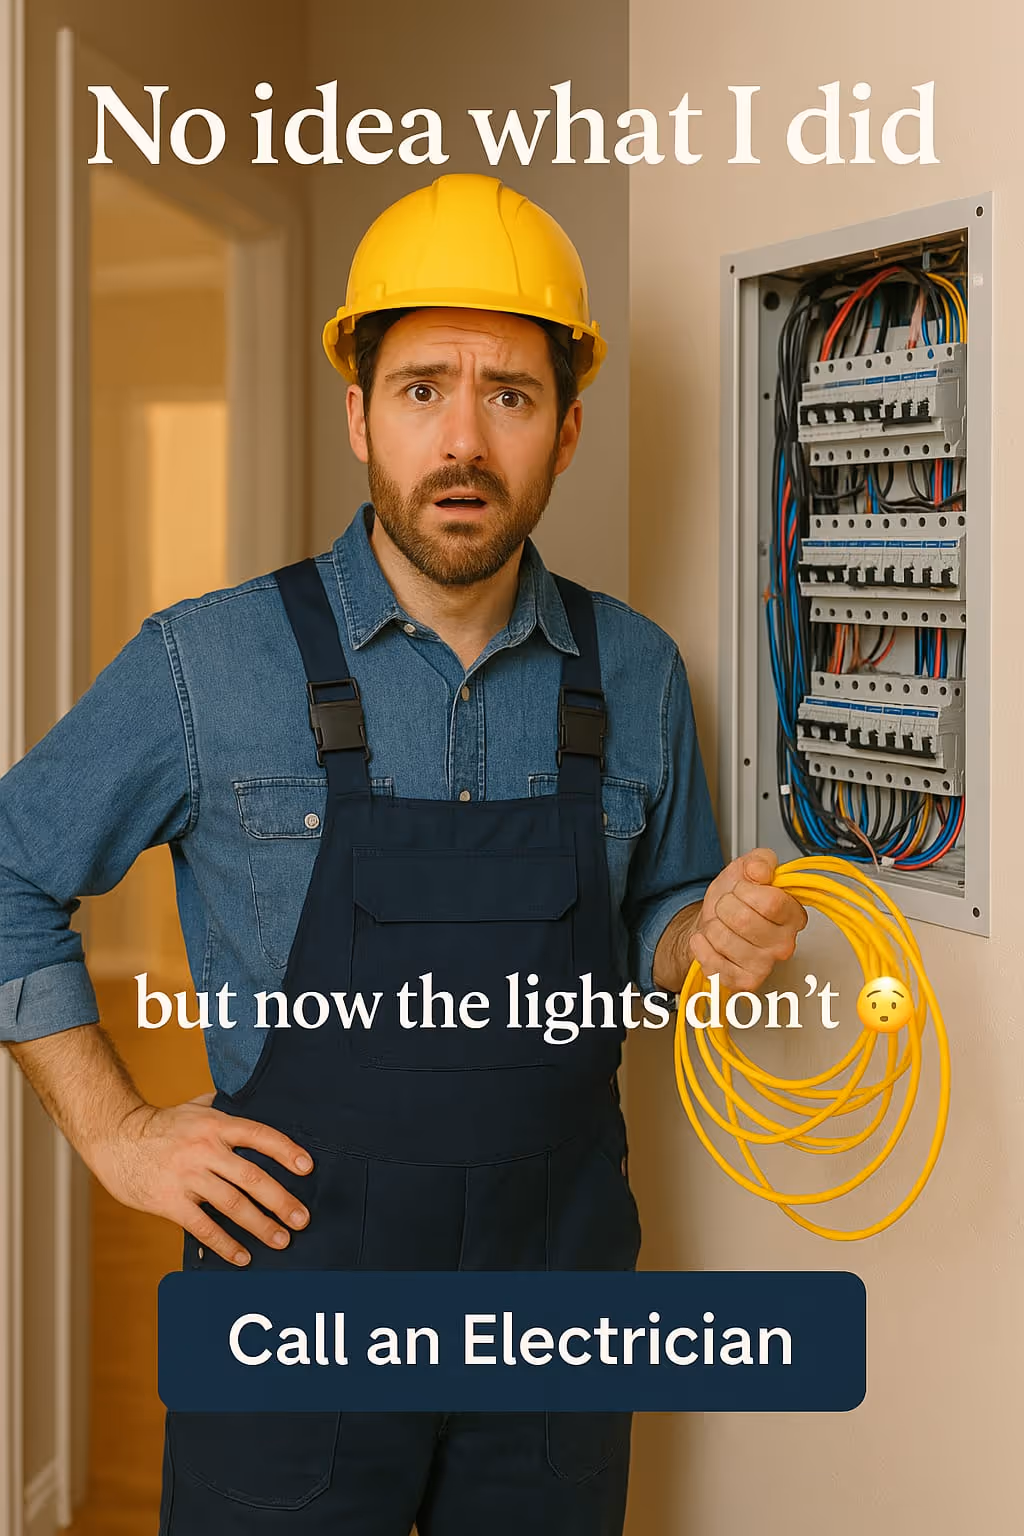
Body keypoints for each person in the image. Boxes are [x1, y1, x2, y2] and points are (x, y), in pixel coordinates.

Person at [0, 173, 807, 1534]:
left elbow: (657, 925)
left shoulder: (641, 675)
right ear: (360, 411)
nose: (466, 440)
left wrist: (708, 940)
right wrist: (121, 1136)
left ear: (568, 429)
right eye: (425, 386)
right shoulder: (208, 663)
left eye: (511, 394)